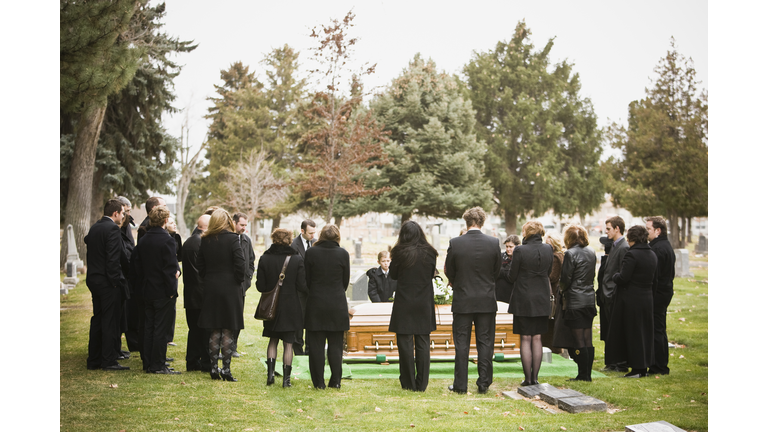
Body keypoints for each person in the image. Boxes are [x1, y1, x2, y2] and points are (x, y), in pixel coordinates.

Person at [445, 207, 501, 394]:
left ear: (466, 222)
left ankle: (460, 385)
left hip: (463, 298)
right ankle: (484, 382)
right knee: (485, 342)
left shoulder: (456, 243)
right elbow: (496, 271)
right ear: (482, 222)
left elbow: (449, 270)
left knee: (462, 343)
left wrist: (458, 282)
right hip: (485, 298)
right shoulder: (493, 243)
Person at [388, 221, 438, 391]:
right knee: (423, 342)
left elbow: (393, 275)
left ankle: (408, 383)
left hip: (404, 300)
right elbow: (432, 274)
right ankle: (422, 383)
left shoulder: (400, 252)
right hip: (423, 301)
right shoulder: (430, 252)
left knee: (405, 343)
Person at [197, 209, 246, 382]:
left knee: (215, 328)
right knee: (227, 328)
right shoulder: (233, 239)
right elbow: (240, 264)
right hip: (230, 288)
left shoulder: (205, 240)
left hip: (211, 287)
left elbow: (200, 266)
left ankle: (213, 367)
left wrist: (209, 278)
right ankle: (225, 369)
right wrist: (238, 280)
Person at [132, 205, 181, 375]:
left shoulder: (144, 239)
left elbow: (138, 265)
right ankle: (158, 364)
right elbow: (169, 269)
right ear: (166, 220)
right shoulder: (167, 240)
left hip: (147, 289)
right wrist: (171, 290)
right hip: (162, 291)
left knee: (148, 327)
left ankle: (148, 362)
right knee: (160, 329)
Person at [256, 228, 308, 388]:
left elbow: (260, 286)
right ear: (290, 240)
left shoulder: (264, 258)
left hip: (272, 307)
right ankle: (286, 380)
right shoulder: (297, 259)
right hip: (291, 306)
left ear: (273, 239)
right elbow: (301, 285)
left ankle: (270, 375)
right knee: (288, 344)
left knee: (272, 340)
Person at [606, 225, 657, 378]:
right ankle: (644, 366)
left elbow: (623, 277)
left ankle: (637, 368)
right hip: (646, 297)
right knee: (644, 333)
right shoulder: (652, 254)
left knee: (633, 333)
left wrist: (615, 276)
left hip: (631, 299)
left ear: (632, 238)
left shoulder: (632, 255)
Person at [85, 199, 130, 371]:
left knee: (98, 319)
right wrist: (115, 282)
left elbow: (87, 240)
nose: (123, 216)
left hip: (94, 279)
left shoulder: (95, 227)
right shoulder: (112, 228)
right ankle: (109, 360)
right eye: (122, 213)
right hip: (107, 282)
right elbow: (113, 258)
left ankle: (94, 359)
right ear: (115, 213)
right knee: (110, 321)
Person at [507, 220, 553, 386]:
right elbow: (548, 272)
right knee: (537, 338)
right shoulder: (548, 248)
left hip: (524, 298)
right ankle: (535, 378)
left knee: (525, 338)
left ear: (527, 232)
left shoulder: (520, 250)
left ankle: (528, 379)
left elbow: (512, 277)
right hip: (541, 297)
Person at [304, 224, 350, 389]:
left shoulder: (311, 253)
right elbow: (345, 281)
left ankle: (318, 383)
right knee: (336, 345)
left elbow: (307, 280)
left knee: (316, 345)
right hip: (337, 302)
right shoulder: (343, 254)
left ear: (321, 236)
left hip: (316, 301)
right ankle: (336, 380)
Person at [560, 224, 597, 381]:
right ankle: (587, 373)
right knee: (587, 337)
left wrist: (562, 290)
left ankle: (582, 374)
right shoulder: (592, 252)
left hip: (575, 300)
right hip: (589, 299)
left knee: (578, 339)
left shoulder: (569, 254)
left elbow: (566, 278)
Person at [646, 216, 676, 375]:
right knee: (658, 328)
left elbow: (654, 275)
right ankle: (658, 363)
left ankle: (659, 365)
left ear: (658, 230)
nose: (646, 232)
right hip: (663, 291)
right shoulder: (663, 245)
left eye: (648, 229)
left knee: (657, 330)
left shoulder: (658, 248)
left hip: (658, 294)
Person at [599, 216, 629, 372]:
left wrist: (611, 292)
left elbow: (621, 273)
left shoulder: (624, 247)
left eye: (609, 228)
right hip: (607, 294)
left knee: (616, 331)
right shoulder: (614, 246)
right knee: (609, 331)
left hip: (613, 293)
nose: (606, 231)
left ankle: (619, 363)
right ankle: (612, 362)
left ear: (617, 228)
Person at [181, 214, 211, 372]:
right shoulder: (201, 243)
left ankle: (193, 361)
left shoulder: (189, 241)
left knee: (194, 330)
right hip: (200, 294)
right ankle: (203, 362)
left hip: (191, 292)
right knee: (203, 330)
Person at [541, 232, 575, 356]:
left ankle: (551, 349)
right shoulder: (562, 255)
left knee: (550, 326)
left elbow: (552, 277)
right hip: (557, 294)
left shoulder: (555, 257)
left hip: (552, 294)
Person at [290, 219, 316, 355]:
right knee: (299, 321)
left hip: (312, 290)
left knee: (311, 320)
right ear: (302, 231)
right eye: (310, 233)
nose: (313, 235)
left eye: (314, 232)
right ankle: (298, 351)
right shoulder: (294, 245)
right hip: (298, 290)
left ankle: (309, 350)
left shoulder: (316, 243)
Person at [232, 212, 256, 358]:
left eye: (245, 225)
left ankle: (233, 346)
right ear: (234, 223)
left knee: (238, 317)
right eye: (241, 225)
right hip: (229, 285)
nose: (244, 228)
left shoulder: (246, 240)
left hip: (242, 286)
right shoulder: (229, 239)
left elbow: (251, 261)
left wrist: (248, 278)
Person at [116, 196, 135, 358]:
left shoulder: (126, 225)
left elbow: (130, 245)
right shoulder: (116, 228)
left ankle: (119, 346)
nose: (127, 215)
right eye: (125, 211)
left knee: (124, 313)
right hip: (120, 275)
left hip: (126, 274)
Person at [495, 235, 520, 304]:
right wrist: (507, 272)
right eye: (507, 246)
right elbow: (496, 272)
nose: (508, 249)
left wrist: (502, 271)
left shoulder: (519, 258)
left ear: (517, 246)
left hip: (512, 292)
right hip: (499, 292)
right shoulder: (500, 256)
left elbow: (513, 276)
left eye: (511, 247)